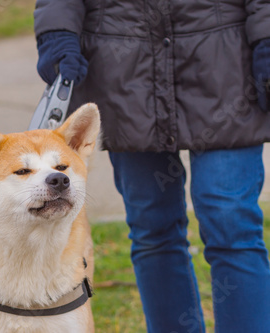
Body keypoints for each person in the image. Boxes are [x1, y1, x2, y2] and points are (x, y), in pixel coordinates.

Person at [34, 1, 270, 332]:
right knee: (152, 227)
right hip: (124, 65)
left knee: (230, 220)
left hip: (226, 59)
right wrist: (55, 31)